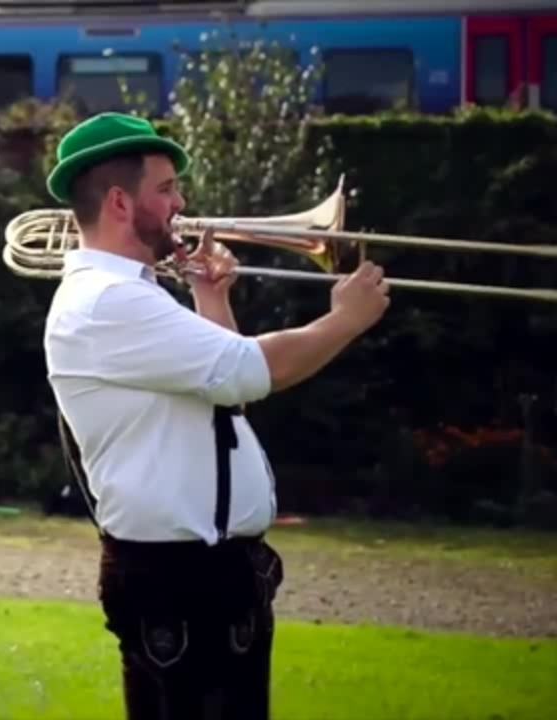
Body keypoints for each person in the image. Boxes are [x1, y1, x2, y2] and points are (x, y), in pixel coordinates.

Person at [42, 113, 390, 719]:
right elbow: (253, 370)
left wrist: (210, 297)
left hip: (209, 575)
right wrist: (345, 321)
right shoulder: (109, 299)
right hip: (179, 580)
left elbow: (227, 397)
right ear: (120, 202)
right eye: (167, 188)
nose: (181, 203)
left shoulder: (135, 294)